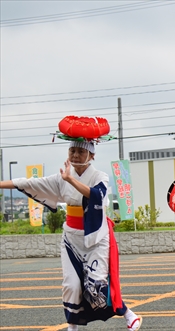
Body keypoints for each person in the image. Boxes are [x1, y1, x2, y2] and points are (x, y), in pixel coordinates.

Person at [0, 116, 142, 331]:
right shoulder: (61, 177)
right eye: (72, 151)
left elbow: (96, 196)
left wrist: (71, 180)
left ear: (91, 155)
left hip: (96, 237)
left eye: (81, 151)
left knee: (95, 287)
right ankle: (72, 327)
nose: (75, 155)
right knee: (72, 285)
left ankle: (127, 313)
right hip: (71, 238)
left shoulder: (99, 177)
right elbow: (28, 182)